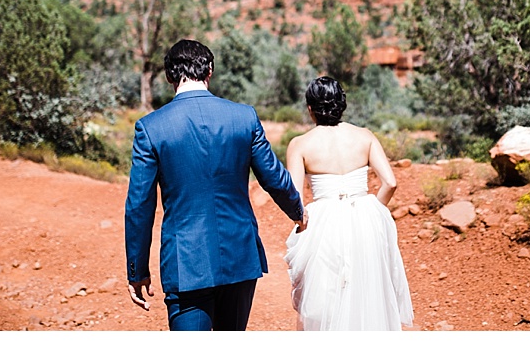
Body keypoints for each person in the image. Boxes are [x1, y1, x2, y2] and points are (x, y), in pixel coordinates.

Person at [124, 39, 307, 331]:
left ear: (170, 76)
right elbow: (273, 176)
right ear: (209, 71)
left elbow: (139, 205)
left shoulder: (151, 127)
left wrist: (137, 269)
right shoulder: (243, 117)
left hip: (186, 262)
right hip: (239, 254)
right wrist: (297, 211)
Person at [283, 76, 414, 331]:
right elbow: (390, 182)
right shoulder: (364, 136)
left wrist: (302, 224)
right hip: (364, 214)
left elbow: (295, 199)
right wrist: (373, 210)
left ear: (310, 109)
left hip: (324, 220)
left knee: (325, 297)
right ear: (341, 104)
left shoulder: (299, 144)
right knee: (366, 288)